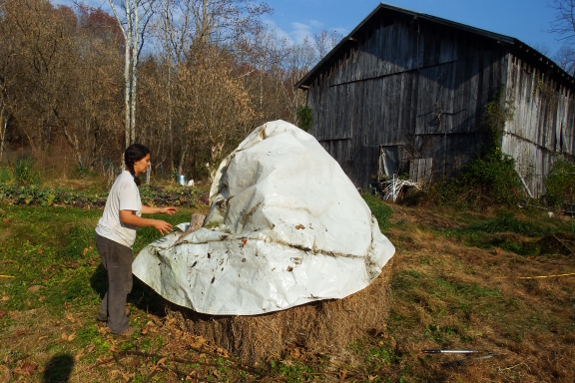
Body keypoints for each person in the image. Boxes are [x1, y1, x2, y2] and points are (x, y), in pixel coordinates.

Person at [95, 144, 176, 336]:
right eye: (147, 160)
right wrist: (154, 223)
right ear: (135, 161)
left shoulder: (126, 179)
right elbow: (127, 217)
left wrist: (159, 210)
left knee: (120, 280)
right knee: (121, 283)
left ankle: (105, 311)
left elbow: (135, 207)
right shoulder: (128, 183)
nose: (149, 164)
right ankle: (117, 325)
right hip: (113, 240)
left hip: (110, 238)